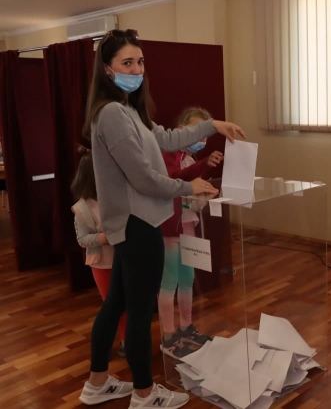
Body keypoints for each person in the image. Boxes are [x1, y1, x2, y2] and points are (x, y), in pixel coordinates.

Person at [78, 28, 245, 409]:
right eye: (127, 63)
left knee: (117, 303)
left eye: (140, 62)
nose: (136, 70)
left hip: (133, 223)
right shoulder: (112, 115)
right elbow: (144, 178)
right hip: (137, 224)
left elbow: (167, 138)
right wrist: (189, 186)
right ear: (107, 69)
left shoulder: (127, 111)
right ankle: (144, 394)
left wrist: (213, 125)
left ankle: (97, 384)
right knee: (139, 312)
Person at [158, 107, 223, 359]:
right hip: (170, 227)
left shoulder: (190, 159)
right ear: (182, 131)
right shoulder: (168, 154)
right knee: (169, 281)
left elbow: (191, 196)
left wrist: (206, 194)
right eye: (197, 132)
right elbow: (175, 179)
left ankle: (186, 326)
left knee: (187, 278)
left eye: (205, 134)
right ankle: (168, 336)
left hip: (187, 225)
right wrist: (204, 166)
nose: (201, 139)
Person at [71, 145, 126, 359]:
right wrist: (104, 238)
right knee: (111, 305)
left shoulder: (114, 198)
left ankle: (126, 342)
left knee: (126, 303)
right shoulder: (81, 208)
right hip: (101, 263)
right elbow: (82, 239)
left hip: (122, 258)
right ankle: (104, 346)